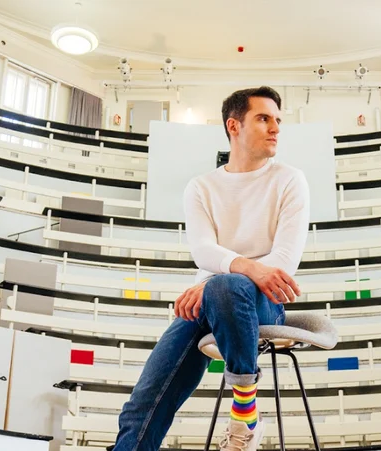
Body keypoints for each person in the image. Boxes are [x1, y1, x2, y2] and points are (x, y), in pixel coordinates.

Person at [111, 86, 311, 451]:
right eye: (263, 118)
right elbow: (203, 250)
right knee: (143, 403)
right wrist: (223, 281)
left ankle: (244, 415)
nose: (276, 128)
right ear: (233, 126)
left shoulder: (290, 179)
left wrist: (218, 282)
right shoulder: (201, 187)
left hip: (264, 301)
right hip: (205, 302)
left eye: (278, 120)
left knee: (224, 287)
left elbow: (283, 262)